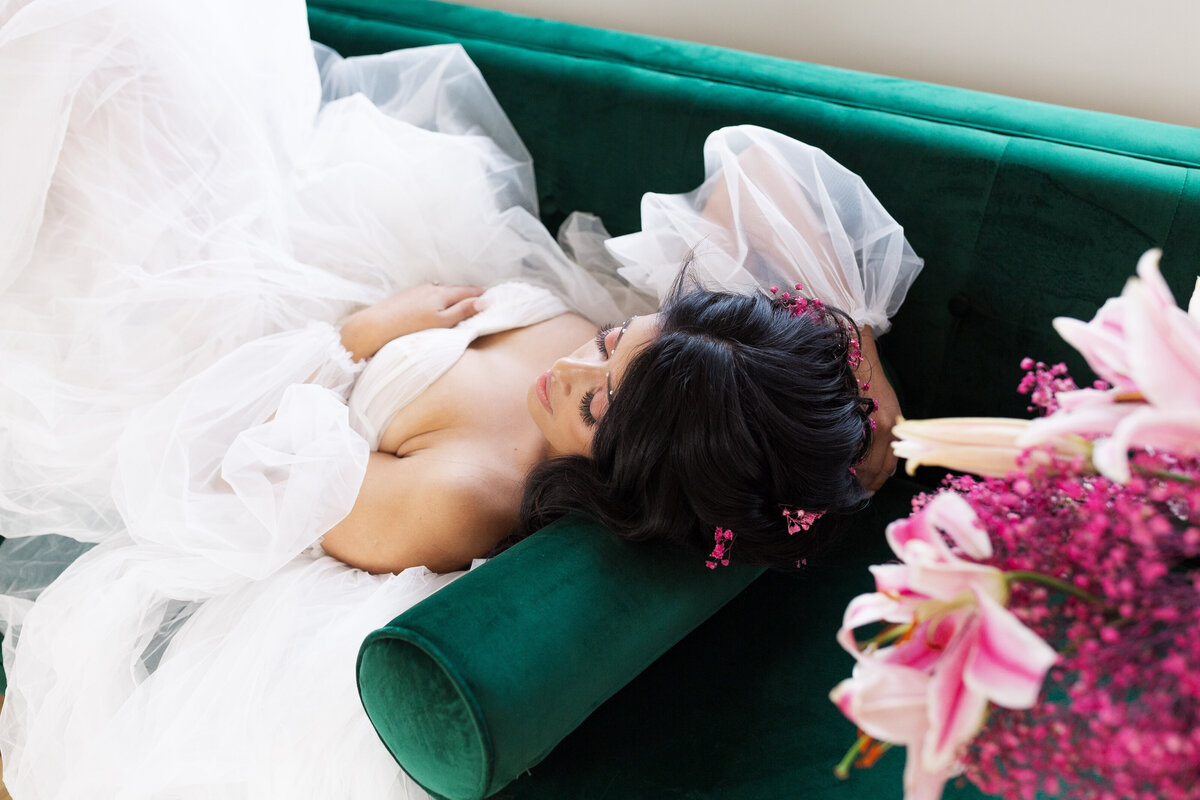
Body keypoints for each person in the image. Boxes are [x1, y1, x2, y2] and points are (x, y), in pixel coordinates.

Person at [0, 0, 921, 797]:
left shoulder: (456, 499)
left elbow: (251, 473)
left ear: (629, 472)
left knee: (79, 82)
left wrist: (356, 341)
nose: (566, 375)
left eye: (594, 409)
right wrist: (856, 371)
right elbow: (762, 178)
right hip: (296, 234)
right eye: (610, 344)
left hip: (195, 347)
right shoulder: (668, 374)